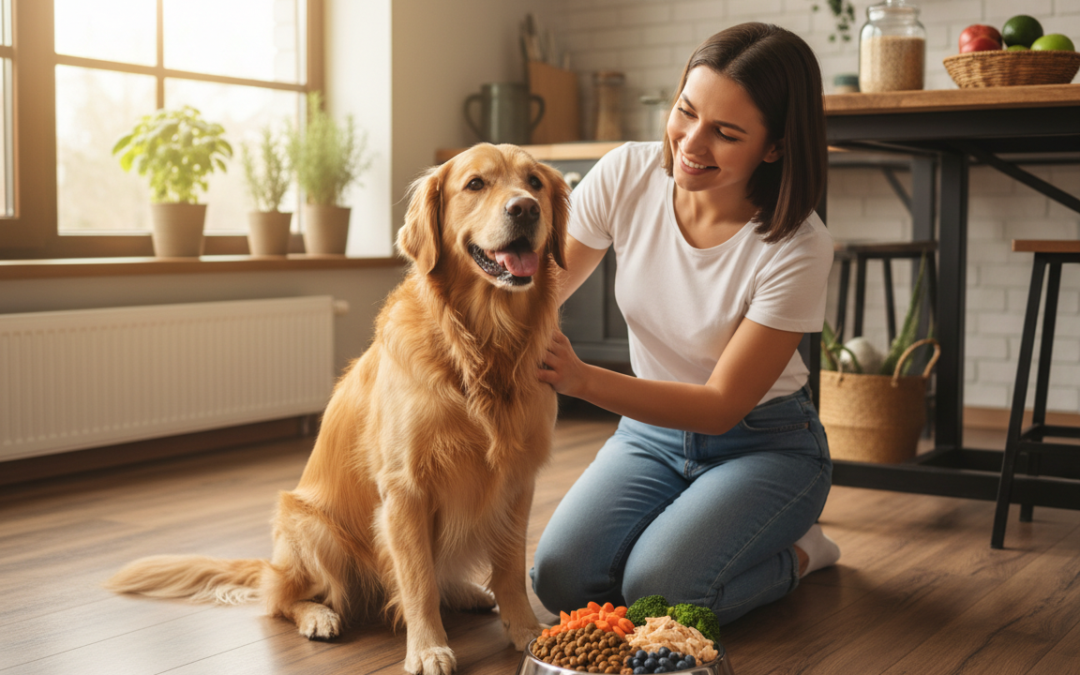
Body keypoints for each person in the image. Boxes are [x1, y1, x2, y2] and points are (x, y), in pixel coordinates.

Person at [531, 22, 841, 626]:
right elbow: (544, 288)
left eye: (726, 133)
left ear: (774, 147)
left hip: (763, 444)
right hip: (649, 437)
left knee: (661, 593)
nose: (691, 144)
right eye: (686, 112)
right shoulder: (627, 174)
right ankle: (693, 528)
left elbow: (721, 405)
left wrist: (582, 379)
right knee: (561, 580)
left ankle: (803, 553)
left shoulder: (798, 245)